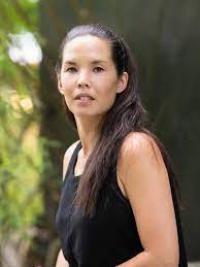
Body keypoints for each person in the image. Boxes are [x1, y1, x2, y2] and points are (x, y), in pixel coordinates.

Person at [55, 24, 188, 267]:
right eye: (72, 69)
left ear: (121, 82)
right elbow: (68, 252)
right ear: (60, 82)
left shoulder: (135, 149)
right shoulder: (71, 156)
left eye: (97, 69)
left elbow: (162, 259)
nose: (83, 80)